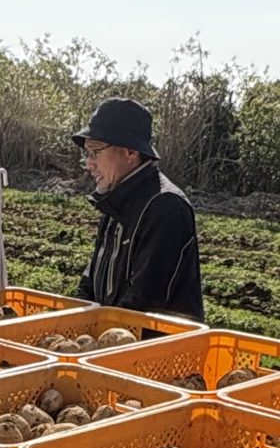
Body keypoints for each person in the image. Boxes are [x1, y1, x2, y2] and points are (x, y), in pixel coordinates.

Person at [72, 97, 202, 320]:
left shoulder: (166, 206)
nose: (89, 164)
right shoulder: (115, 199)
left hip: (155, 348)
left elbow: (145, 299)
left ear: (130, 153)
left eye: (95, 152)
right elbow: (92, 278)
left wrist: (103, 332)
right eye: (87, 153)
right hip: (116, 338)